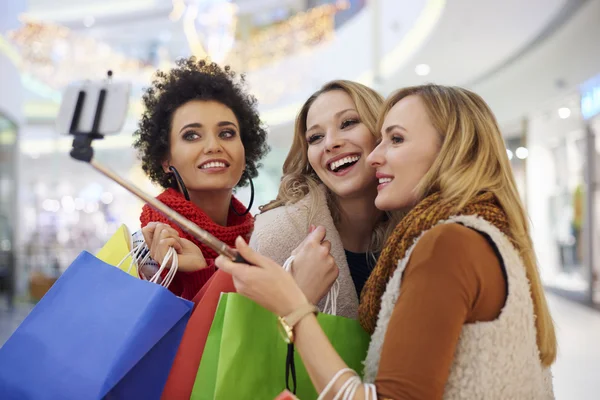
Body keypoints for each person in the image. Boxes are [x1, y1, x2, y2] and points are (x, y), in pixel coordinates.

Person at [217, 84, 557, 399]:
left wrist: (295, 307)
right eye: (315, 136)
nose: (376, 155)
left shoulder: (445, 243)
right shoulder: (481, 230)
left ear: (450, 149)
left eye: (394, 139)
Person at [250, 80, 402, 318]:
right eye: (316, 137)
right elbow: (252, 346)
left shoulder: (418, 226)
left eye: (348, 123)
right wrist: (298, 298)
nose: (331, 143)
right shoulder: (275, 235)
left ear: (383, 132)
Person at [131, 57, 269, 301]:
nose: (213, 146)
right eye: (192, 135)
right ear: (166, 159)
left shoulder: (262, 239)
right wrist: (197, 273)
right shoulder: (150, 245)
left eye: (226, 133)